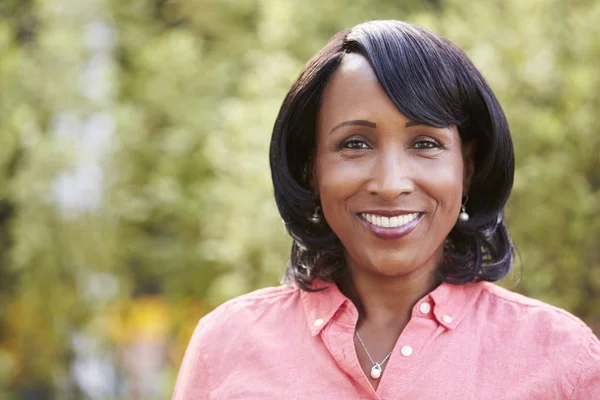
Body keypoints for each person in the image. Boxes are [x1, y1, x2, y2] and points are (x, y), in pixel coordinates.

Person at [172, 20, 600, 399]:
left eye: (425, 144)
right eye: (355, 144)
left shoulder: (564, 360)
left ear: (466, 168)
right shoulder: (227, 344)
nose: (391, 184)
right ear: (311, 168)